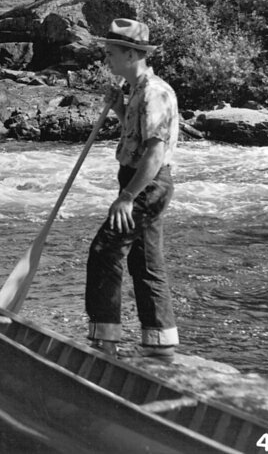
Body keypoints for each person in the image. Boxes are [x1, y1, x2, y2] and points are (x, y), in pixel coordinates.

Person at [86, 18, 179, 360]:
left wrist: (127, 197)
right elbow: (138, 132)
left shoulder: (155, 92)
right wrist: (120, 108)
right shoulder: (138, 90)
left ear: (131, 53)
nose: (106, 59)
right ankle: (159, 342)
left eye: (110, 53)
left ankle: (104, 341)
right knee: (146, 262)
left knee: (104, 252)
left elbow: (155, 152)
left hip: (146, 183)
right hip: (140, 181)